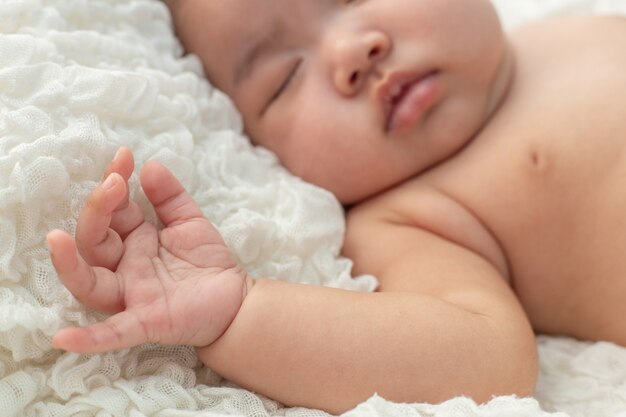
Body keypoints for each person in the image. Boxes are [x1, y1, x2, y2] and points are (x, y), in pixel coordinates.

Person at [46, 0, 626, 414]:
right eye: (286, 77)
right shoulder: (411, 213)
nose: (354, 50)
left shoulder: (569, 28)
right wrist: (239, 313)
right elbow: (487, 359)